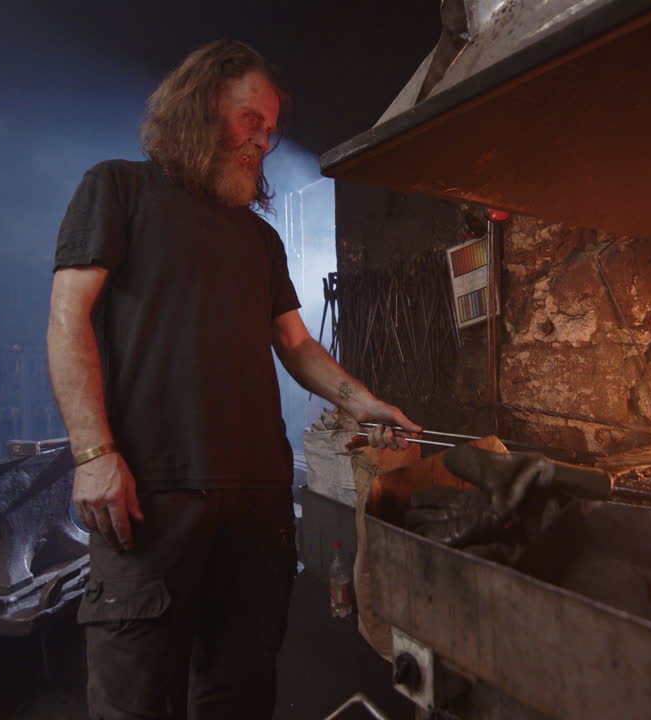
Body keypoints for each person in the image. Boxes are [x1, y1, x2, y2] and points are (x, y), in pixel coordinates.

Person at [47, 39, 419, 720]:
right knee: (136, 703)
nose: (264, 142)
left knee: (240, 695)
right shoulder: (118, 188)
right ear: (203, 103)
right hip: (151, 494)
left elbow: (296, 344)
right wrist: (93, 454)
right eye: (253, 120)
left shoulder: (259, 239)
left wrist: (364, 403)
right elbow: (68, 318)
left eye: (272, 130)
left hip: (257, 504)